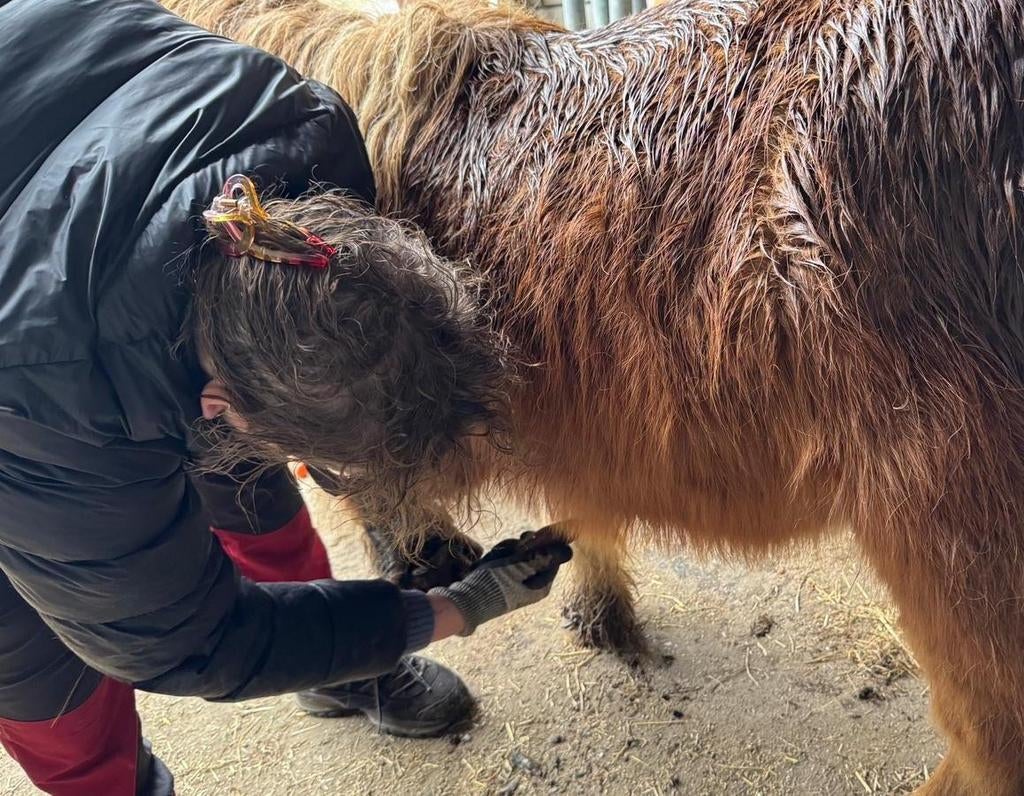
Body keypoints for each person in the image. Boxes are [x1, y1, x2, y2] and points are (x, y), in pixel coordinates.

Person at [0, 1, 573, 794]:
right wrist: (452, 610)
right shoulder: (46, 410)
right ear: (216, 400)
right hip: (28, 371)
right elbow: (193, 645)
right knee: (34, 656)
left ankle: (339, 669)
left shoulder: (314, 143)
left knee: (245, 470)